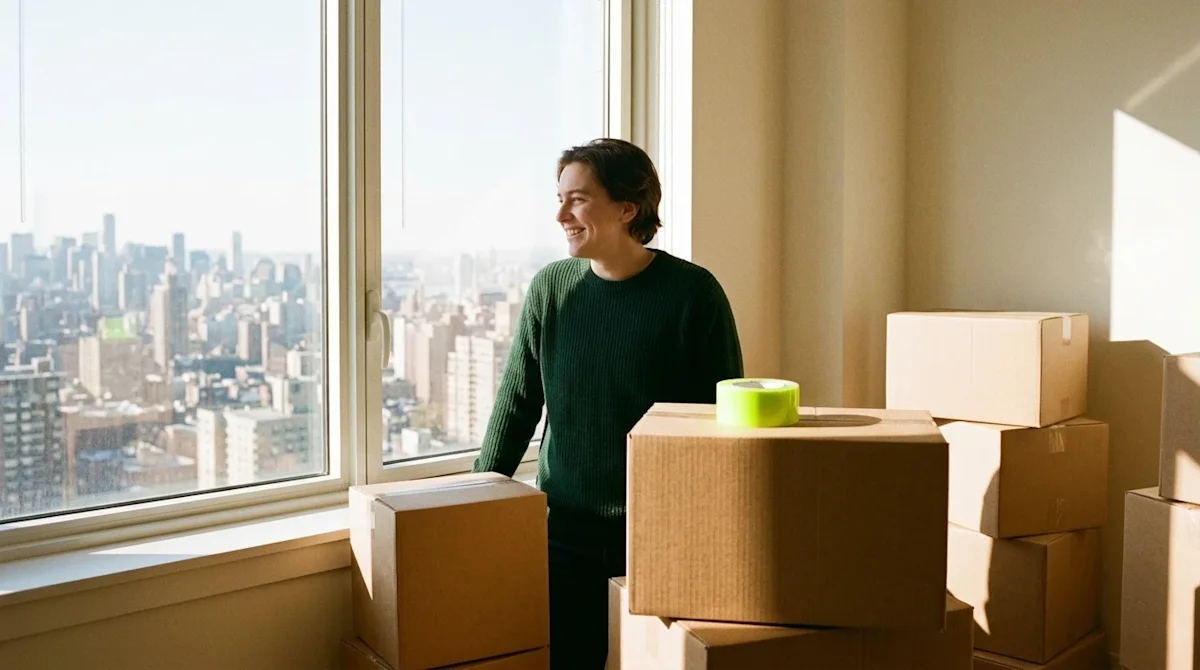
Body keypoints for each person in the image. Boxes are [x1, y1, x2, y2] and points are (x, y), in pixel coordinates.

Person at [472, 138, 743, 669]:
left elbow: (722, 424)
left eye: (577, 200)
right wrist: (476, 499)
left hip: (661, 535)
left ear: (627, 208)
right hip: (563, 534)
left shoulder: (693, 294)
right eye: (559, 199)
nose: (561, 216)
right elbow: (518, 403)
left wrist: (714, 532)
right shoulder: (551, 289)